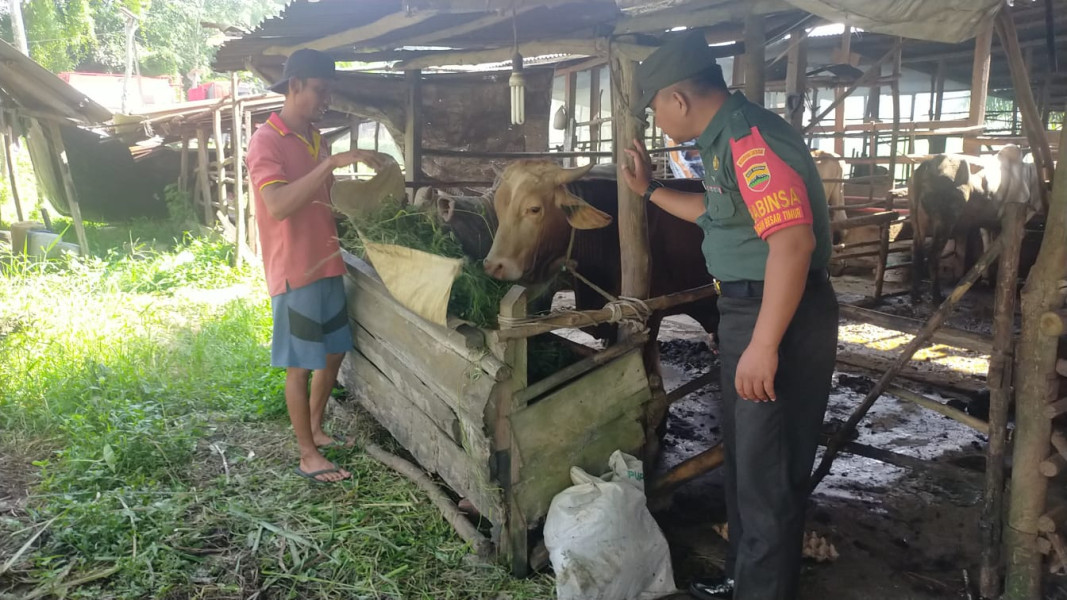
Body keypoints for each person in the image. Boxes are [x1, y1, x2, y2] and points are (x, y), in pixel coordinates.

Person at [620, 32, 839, 600]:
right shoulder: (723, 142)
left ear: (679, 99)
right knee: (747, 462)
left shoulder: (750, 141)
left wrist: (764, 344)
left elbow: (792, 244)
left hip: (779, 314)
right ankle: (746, 579)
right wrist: (649, 190)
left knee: (768, 473)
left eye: (655, 108)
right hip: (748, 309)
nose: (657, 121)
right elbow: (715, 213)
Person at [246, 48, 386, 484]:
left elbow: (324, 198)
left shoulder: (316, 138)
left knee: (334, 350)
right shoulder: (266, 140)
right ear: (294, 86)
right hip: (296, 270)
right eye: (320, 91)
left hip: (327, 263)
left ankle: (317, 428)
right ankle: (307, 455)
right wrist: (329, 164)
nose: (326, 100)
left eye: (328, 92)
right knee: (301, 365)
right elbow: (279, 204)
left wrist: (368, 203)